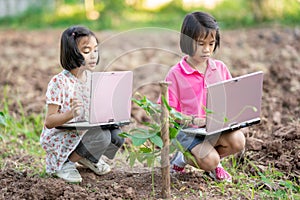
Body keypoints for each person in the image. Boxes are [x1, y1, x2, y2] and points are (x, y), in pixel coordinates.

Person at [162, 11, 246, 182]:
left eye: (211, 43)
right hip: (189, 131)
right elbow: (167, 112)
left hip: (214, 128)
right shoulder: (176, 74)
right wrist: (194, 120)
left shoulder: (220, 68)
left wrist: (237, 118)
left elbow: (231, 99)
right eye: (201, 44)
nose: (207, 50)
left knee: (238, 140)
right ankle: (183, 159)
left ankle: (211, 159)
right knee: (210, 161)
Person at [40, 25, 124, 183]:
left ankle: (88, 158)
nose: (93, 56)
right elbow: (49, 121)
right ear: (72, 52)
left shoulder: (91, 79)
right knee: (102, 136)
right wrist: (70, 114)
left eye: (96, 50)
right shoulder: (59, 82)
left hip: (82, 132)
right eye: (86, 51)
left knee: (117, 136)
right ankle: (66, 163)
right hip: (62, 136)